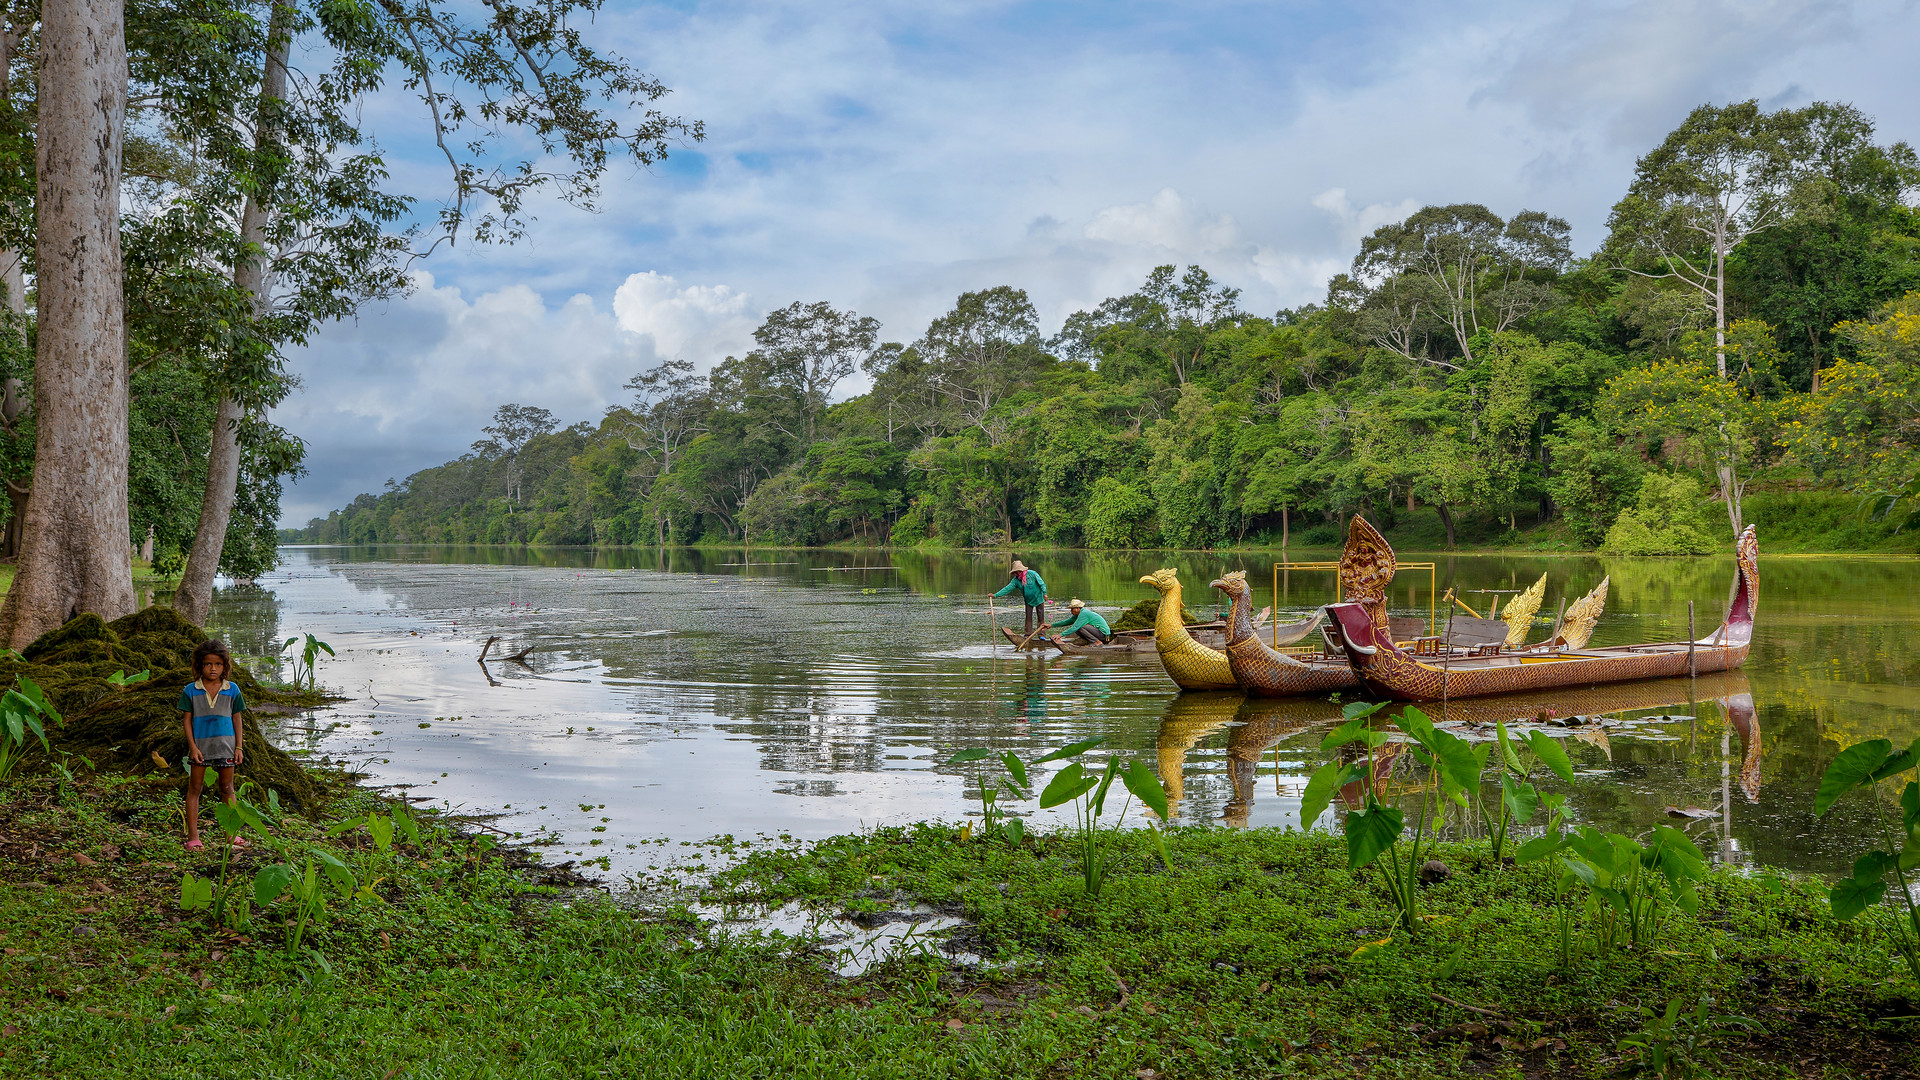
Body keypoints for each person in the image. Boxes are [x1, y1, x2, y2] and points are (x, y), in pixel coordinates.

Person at [179, 639, 247, 851]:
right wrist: (193, 746)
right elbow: (187, 720)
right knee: (195, 788)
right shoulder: (191, 690)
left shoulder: (232, 689)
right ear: (199, 665)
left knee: (227, 788)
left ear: (224, 666)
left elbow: (237, 719)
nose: (213, 669)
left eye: (218, 664)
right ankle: (193, 836)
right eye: (208, 664)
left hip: (226, 747)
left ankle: (232, 833)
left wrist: (239, 747)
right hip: (201, 748)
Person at [992, 559, 1048, 635]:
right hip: (1028, 601)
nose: (1015, 574)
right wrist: (995, 595)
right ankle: (1028, 635)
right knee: (1028, 618)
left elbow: (1042, 584)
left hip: (1039, 598)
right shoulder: (1016, 581)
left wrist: (1044, 593)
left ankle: (1042, 635)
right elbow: (1007, 589)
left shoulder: (1032, 574)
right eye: (1014, 573)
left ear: (1020, 571)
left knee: (1041, 617)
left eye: (1016, 572)